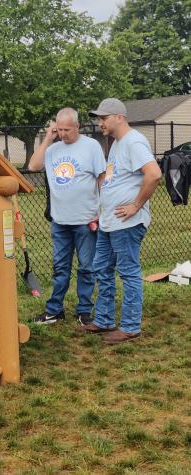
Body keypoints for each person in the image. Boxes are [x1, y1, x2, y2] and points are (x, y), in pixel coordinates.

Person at [76, 98, 162, 343]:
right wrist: (103, 209)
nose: (99, 122)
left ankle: (130, 327)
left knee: (128, 273)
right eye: (99, 118)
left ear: (119, 117)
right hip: (109, 222)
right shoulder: (116, 144)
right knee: (102, 270)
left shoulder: (134, 142)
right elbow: (114, 180)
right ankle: (103, 320)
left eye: (103, 118)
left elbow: (154, 174)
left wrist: (136, 205)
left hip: (127, 225)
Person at [29, 107, 106, 325]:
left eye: (66, 130)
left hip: (85, 220)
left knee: (87, 267)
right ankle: (54, 310)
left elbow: (102, 178)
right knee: (60, 268)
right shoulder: (52, 149)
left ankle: (84, 311)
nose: (63, 134)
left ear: (77, 127)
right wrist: (47, 139)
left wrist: (103, 209)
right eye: (59, 129)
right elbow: (33, 166)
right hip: (60, 221)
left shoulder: (91, 147)